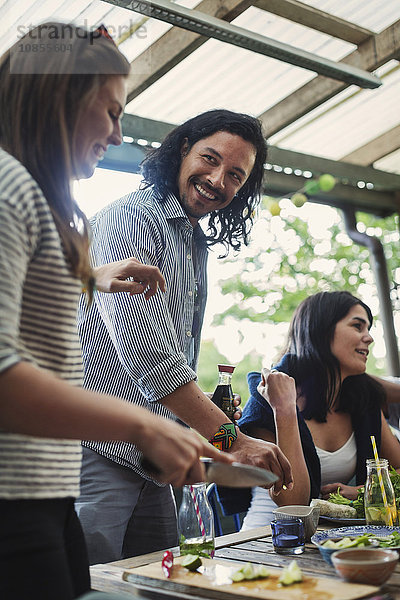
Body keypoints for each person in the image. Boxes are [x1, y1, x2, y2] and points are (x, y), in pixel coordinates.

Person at [0, 22, 232, 600]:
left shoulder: (32, 195)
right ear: (60, 97)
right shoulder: (10, 186)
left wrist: (88, 277)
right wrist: (145, 423)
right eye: (108, 111)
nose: (117, 132)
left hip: (43, 486)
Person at [76, 108, 293, 563]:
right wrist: (233, 439)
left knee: (162, 581)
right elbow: (147, 355)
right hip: (95, 450)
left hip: (153, 458)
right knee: (88, 586)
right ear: (181, 150)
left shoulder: (192, 242)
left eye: (235, 175)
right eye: (209, 159)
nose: (217, 180)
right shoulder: (134, 217)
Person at [217, 291, 400, 528]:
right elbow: (293, 503)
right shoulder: (267, 397)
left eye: (368, 329)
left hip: (332, 537)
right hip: (267, 537)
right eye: (358, 326)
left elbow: (396, 469)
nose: (369, 338)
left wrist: (362, 491)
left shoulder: (363, 399)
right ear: (320, 330)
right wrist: (284, 410)